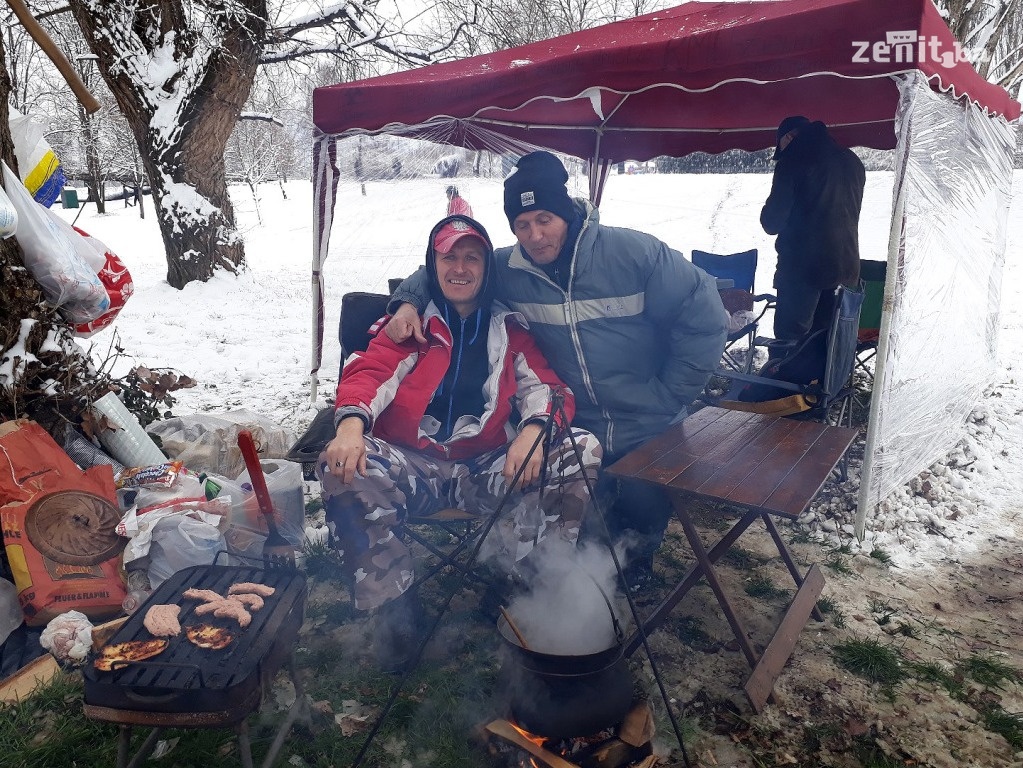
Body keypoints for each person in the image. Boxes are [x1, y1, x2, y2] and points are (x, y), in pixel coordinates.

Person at [384, 151, 728, 589]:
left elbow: (704, 314)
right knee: (583, 508)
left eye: (545, 219)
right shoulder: (509, 269)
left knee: (645, 500)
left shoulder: (633, 253)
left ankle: (639, 559)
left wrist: (671, 394)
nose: (536, 235)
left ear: (566, 212)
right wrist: (408, 301)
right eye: (522, 225)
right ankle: (577, 575)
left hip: (646, 416)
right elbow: (441, 271)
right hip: (573, 417)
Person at [317, 212, 602, 670]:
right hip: (413, 467)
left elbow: (550, 390)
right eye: (450, 257)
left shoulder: (511, 329)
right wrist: (350, 427)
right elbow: (366, 374)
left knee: (580, 449)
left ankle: (526, 588)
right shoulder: (406, 327)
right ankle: (396, 608)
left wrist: (531, 431)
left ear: (487, 269)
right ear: (433, 265)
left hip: (486, 467)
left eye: (473, 258)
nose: (461, 268)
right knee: (348, 463)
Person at [761, 116, 866, 352]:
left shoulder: (794, 160)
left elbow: (772, 222)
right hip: (846, 267)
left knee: (789, 342)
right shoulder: (852, 161)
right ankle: (819, 387)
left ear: (788, 137)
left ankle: (785, 388)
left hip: (803, 269)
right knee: (827, 343)